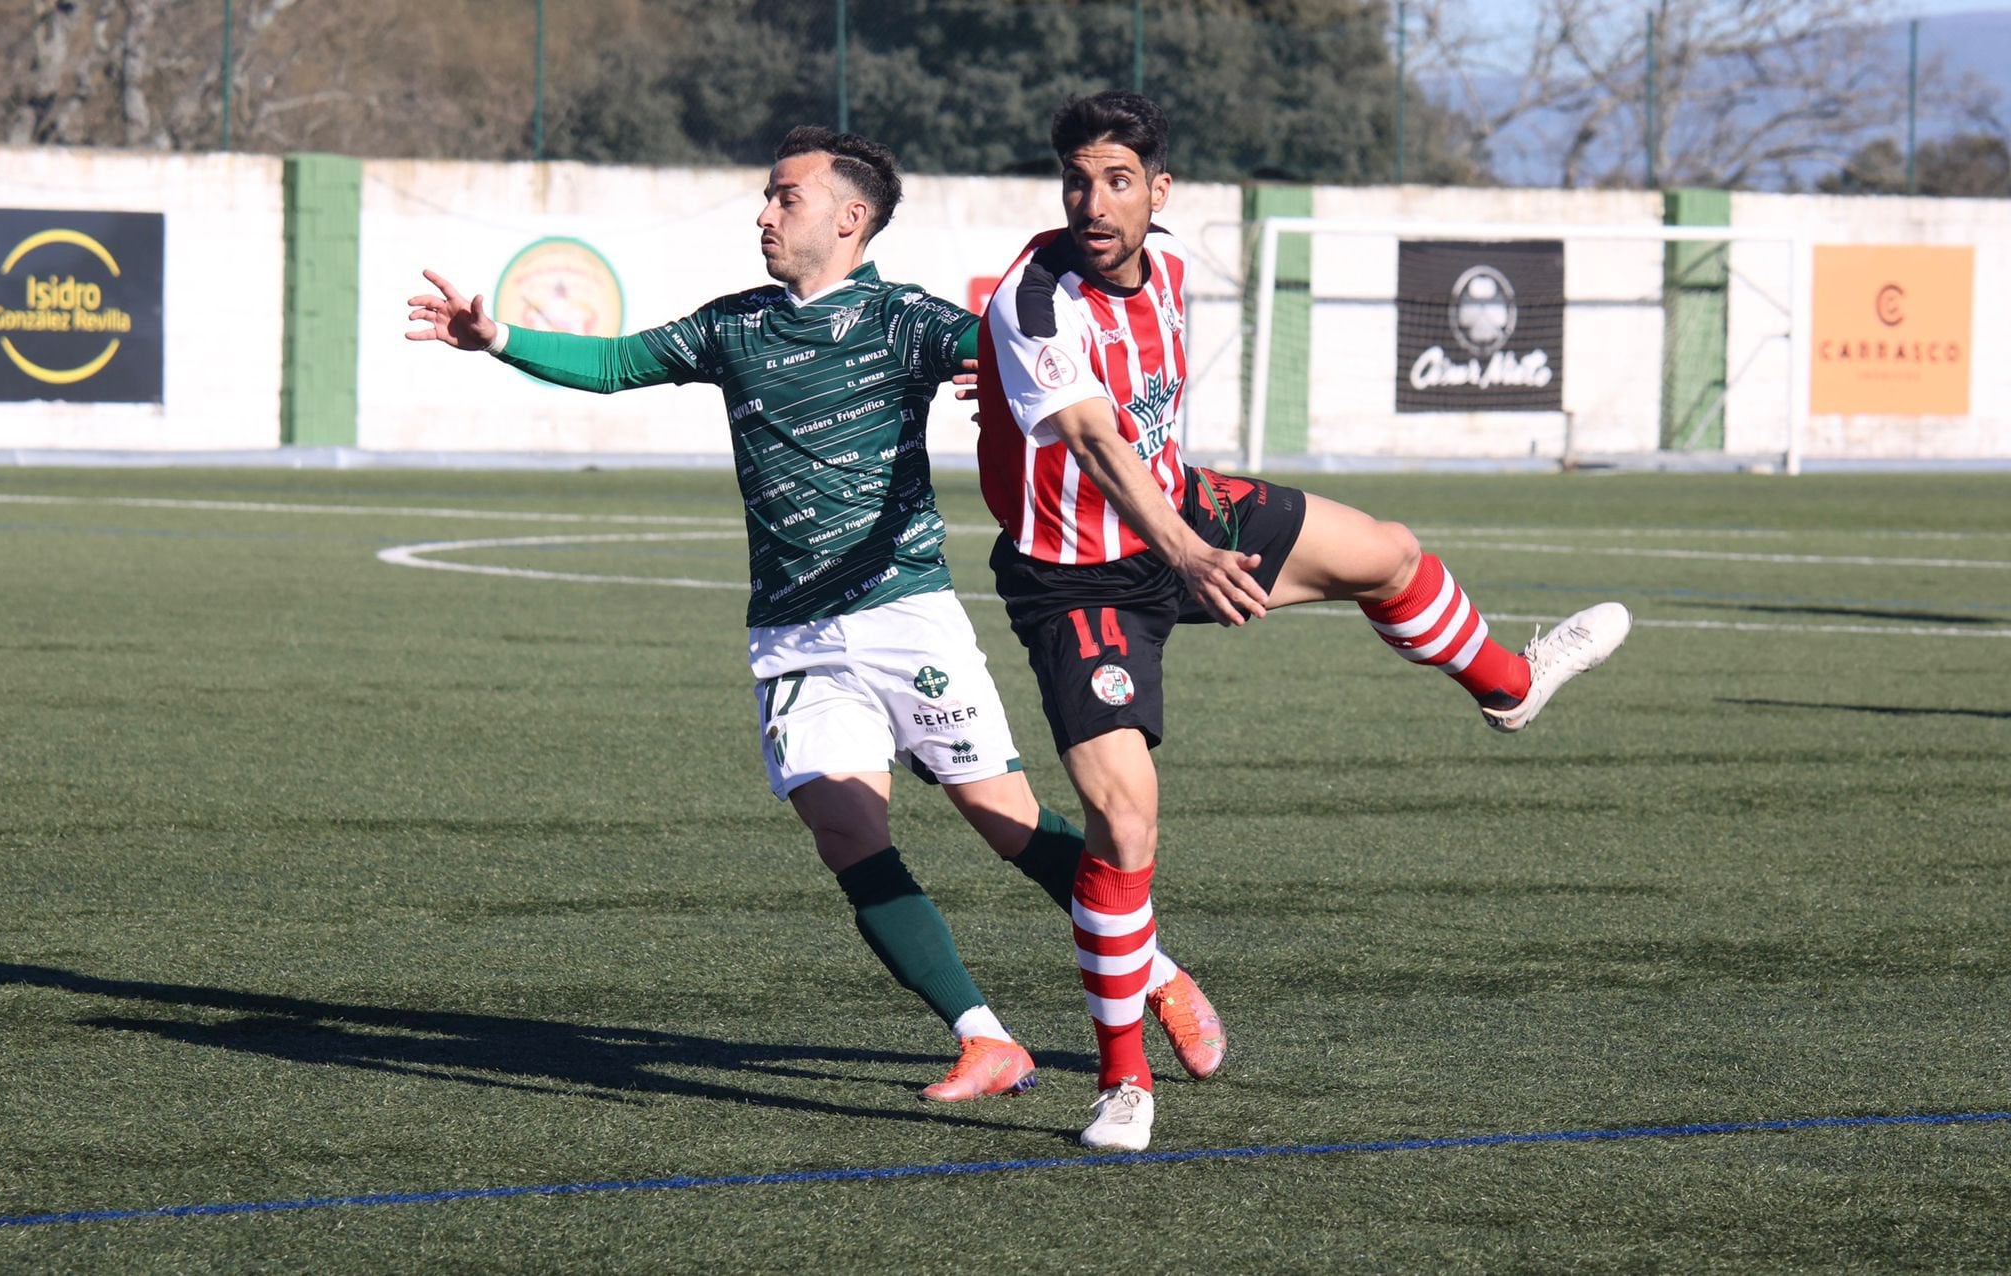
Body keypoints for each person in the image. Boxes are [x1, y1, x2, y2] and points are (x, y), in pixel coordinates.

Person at [405, 125, 1226, 1104]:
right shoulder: (734, 327)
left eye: (782, 197)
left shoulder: (905, 321)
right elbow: (619, 360)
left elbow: (1032, 357)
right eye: (765, 195)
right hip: (792, 632)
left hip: (905, 615)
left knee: (1000, 819)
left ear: (849, 217)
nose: (762, 212)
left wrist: (1001, 374)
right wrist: (493, 337)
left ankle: (1158, 972)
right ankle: (982, 1036)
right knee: (844, 832)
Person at [977, 92, 1632, 1150]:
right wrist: (1183, 551)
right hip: (1079, 581)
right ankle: (1121, 1085)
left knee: (1389, 552)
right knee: (1126, 821)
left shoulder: (1175, 266)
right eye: (1074, 179)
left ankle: (1508, 687)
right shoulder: (1036, 296)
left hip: (1181, 511)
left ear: (1157, 189)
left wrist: (1185, 530)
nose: (1090, 202)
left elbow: (1130, 429)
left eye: (1113, 180)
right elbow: (1095, 441)